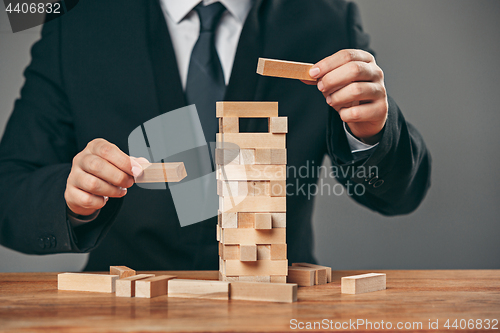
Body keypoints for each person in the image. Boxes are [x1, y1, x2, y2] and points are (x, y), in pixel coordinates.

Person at [0, 0, 431, 271]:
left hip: (277, 303)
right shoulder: (78, 19)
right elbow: (9, 187)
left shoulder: (326, 17)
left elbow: (399, 195)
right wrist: (74, 199)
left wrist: (373, 131)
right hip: (125, 306)